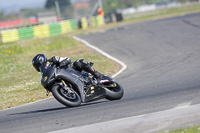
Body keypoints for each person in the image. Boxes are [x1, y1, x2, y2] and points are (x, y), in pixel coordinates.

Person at [32, 54, 103, 80]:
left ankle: (96, 73)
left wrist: (62, 63)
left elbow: (67, 59)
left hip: (71, 69)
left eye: (39, 65)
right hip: (64, 77)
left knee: (78, 62)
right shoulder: (45, 74)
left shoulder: (53, 59)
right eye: (37, 66)